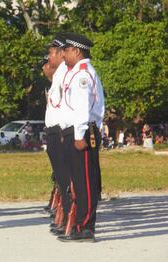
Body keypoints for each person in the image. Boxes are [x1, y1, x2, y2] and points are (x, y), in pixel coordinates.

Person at [57, 33, 105, 242]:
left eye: (66, 50)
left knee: (85, 181)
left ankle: (85, 227)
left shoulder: (83, 74)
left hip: (83, 132)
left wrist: (78, 136)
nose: (63, 54)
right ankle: (79, 225)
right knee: (77, 180)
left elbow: (83, 108)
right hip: (75, 131)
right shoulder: (74, 72)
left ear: (76, 51)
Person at [42, 33, 72, 236]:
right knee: (61, 178)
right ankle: (64, 215)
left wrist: (62, 132)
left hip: (61, 131)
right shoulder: (59, 74)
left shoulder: (65, 74)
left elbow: (64, 108)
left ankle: (70, 216)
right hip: (53, 131)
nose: (48, 57)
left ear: (61, 54)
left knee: (65, 178)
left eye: (51, 53)